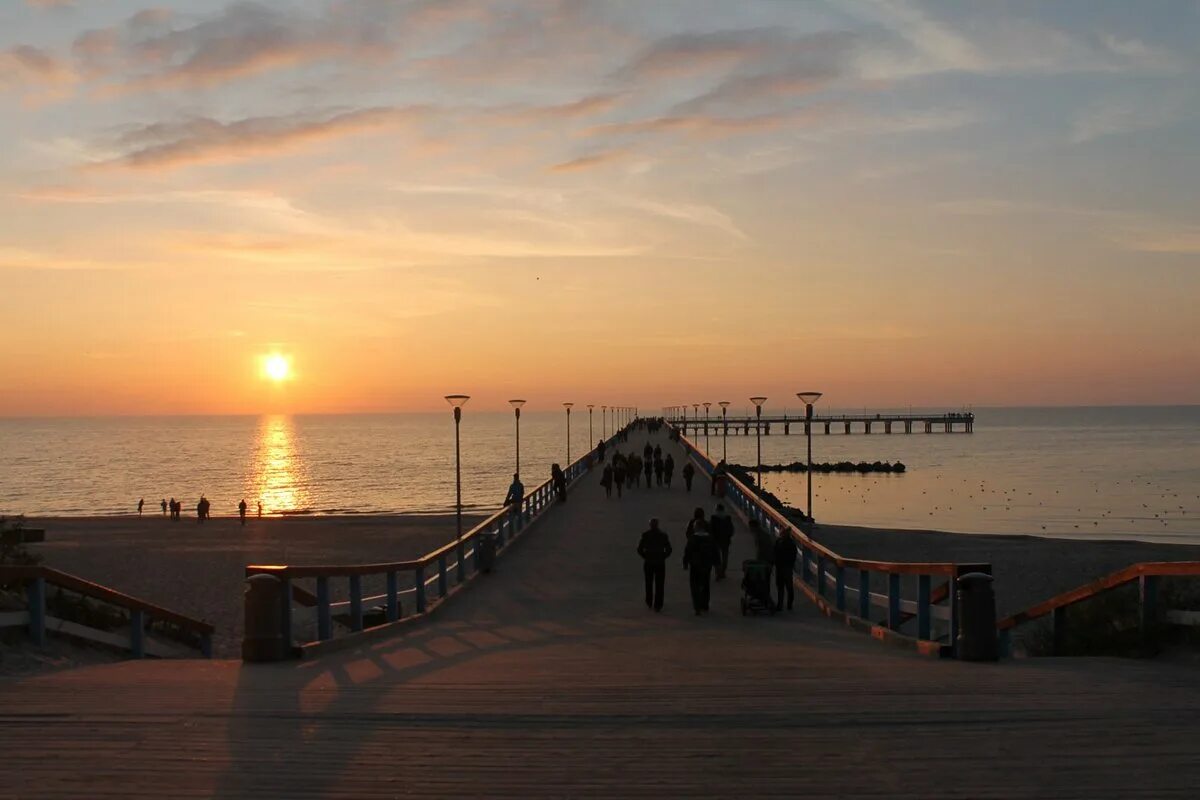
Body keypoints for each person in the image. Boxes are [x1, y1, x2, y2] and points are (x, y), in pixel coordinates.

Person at [682, 518, 719, 615]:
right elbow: (715, 551)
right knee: (706, 584)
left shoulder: (693, 538)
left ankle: (697, 606)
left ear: (696, 527)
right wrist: (717, 564)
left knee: (694, 586)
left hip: (695, 565)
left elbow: (687, 552)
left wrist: (685, 563)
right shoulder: (710, 538)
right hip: (707, 565)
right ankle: (705, 604)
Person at [637, 518, 672, 612]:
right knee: (660, 584)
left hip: (649, 562)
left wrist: (646, 556)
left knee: (648, 582)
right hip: (660, 562)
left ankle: (649, 601)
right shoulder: (663, 536)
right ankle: (658, 604)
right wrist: (663, 556)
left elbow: (639, 549)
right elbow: (669, 549)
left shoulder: (646, 535)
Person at [773, 528, 798, 611]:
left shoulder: (786, 543)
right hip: (783, 567)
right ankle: (784, 604)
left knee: (785, 587)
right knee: (784, 586)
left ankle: (784, 604)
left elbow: (775, 552)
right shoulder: (788, 543)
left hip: (784, 567)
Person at [710, 503, 734, 580]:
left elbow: (710, 529)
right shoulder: (727, 518)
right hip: (725, 540)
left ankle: (718, 573)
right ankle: (723, 572)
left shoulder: (713, 518)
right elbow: (731, 529)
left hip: (716, 540)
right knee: (725, 557)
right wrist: (729, 536)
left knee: (717, 557)